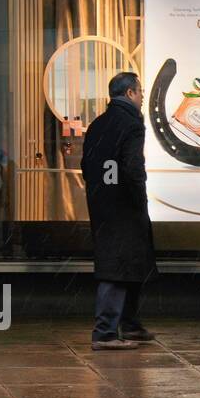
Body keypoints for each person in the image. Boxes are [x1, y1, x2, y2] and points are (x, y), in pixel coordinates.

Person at [80, 72, 157, 351]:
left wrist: (100, 192)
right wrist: (139, 198)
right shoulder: (132, 124)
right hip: (125, 204)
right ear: (130, 94)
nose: (142, 97)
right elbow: (132, 167)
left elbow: (86, 166)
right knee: (118, 266)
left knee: (126, 262)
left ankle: (130, 324)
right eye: (141, 92)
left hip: (102, 204)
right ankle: (105, 332)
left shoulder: (98, 124)